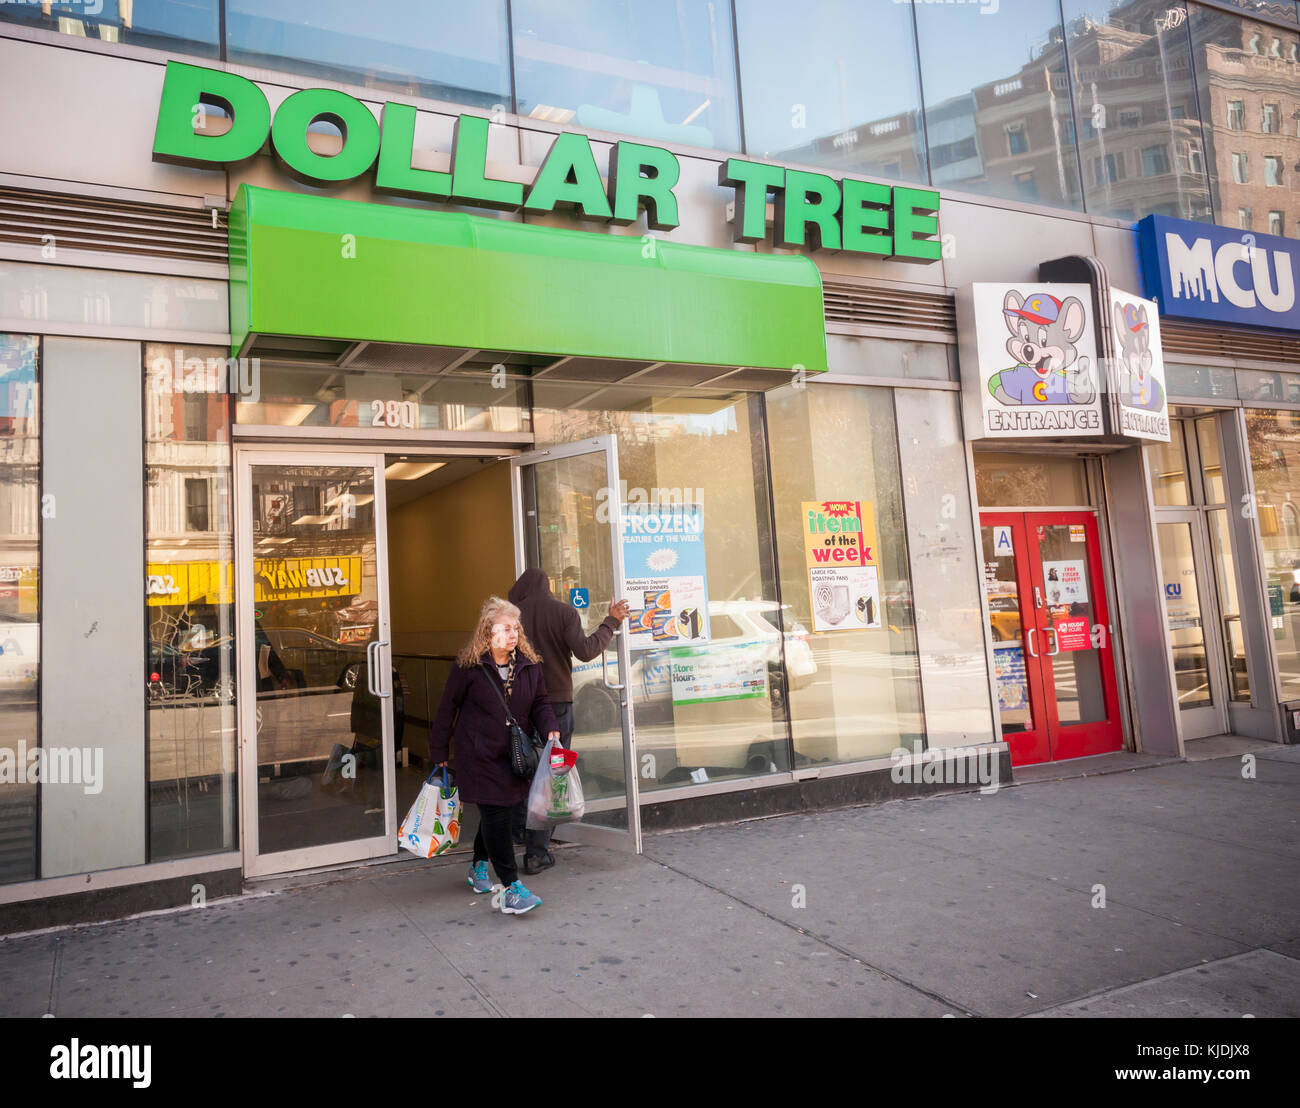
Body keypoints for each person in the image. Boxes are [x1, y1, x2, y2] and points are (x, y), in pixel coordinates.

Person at [427, 596, 559, 916]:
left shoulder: (528, 664)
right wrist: (439, 751)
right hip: (479, 755)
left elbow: (540, 702)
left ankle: (477, 865)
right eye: (506, 628)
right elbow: (447, 709)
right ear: (488, 632)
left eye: (516, 628)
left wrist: (552, 729)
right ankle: (511, 886)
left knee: (498, 814)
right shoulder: (468, 667)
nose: (513, 634)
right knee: (497, 813)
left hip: (514, 756)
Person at [507, 568, 630, 875]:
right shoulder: (563, 613)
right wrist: (611, 621)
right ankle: (537, 853)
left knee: (523, 767)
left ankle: (520, 830)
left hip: (521, 704)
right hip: (557, 703)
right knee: (553, 774)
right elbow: (586, 650)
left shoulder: (512, 617)